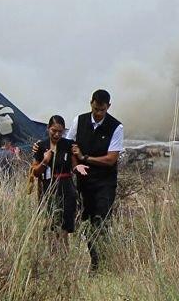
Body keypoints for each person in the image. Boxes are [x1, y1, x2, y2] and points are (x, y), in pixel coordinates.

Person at [67, 89, 124, 271]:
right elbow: (70, 146)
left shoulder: (116, 127)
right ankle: (94, 261)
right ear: (91, 103)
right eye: (96, 108)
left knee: (101, 220)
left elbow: (111, 159)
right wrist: (76, 165)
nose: (98, 113)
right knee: (88, 221)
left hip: (105, 183)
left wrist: (85, 159)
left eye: (102, 110)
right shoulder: (79, 121)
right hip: (84, 182)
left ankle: (101, 263)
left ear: (109, 107)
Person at [32, 115, 88, 248]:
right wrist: (45, 161)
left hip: (66, 187)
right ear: (48, 129)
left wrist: (77, 167)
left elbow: (74, 166)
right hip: (48, 187)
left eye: (60, 131)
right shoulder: (41, 146)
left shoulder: (68, 145)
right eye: (53, 131)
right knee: (50, 223)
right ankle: (51, 254)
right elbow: (35, 171)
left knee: (64, 225)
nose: (57, 134)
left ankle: (64, 255)